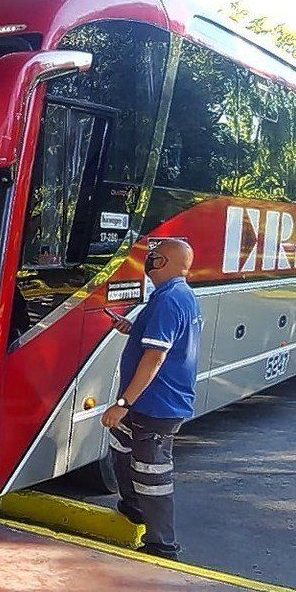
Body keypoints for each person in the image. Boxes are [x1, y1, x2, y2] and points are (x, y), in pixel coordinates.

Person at [102, 238, 202, 561]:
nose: (149, 261)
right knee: (122, 449)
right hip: (149, 402)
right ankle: (133, 509)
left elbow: (155, 358)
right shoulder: (174, 296)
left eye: (155, 257)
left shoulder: (170, 300)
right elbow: (163, 338)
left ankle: (163, 545)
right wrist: (131, 328)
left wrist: (122, 404)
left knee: (152, 475)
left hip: (157, 405)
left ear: (170, 264)